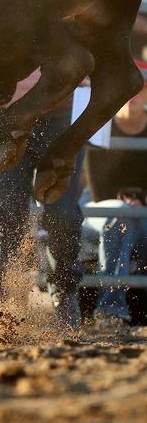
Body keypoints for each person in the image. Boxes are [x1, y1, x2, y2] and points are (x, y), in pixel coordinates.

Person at [0, 72, 85, 329]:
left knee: (62, 213)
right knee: (7, 210)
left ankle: (63, 289)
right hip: (12, 113)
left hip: (61, 114)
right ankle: (6, 298)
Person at [83, 62, 147, 326]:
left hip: (142, 210)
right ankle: (111, 310)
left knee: (127, 218)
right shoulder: (99, 125)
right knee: (118, 217)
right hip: (101, 208)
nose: (132, 93)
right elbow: (97, 188)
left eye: (140, 87)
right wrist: (126, 200)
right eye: (125, 86)